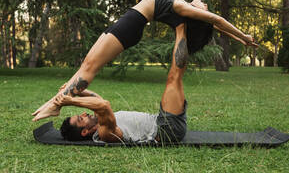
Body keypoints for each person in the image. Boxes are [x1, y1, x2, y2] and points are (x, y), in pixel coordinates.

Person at [32, 0, 257, 121]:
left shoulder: (182, 7)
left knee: (90, 66)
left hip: (131, 25)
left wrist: (244, 35)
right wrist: (239, 37)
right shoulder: (184, 8)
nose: (204, 3)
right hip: (130, 24)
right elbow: (216, 25)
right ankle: (55, 102)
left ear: (199, 14)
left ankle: (56, 105)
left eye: (204, 8)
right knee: (87, 64)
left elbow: (216, 20)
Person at [55, 24, 189, 143]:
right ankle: (181, 24)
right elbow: (103, 105)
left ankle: (182, 24)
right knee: (174, 77)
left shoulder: (100, 120)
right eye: (80, 119)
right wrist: (70, 101)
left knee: (174, 77)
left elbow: (97, 100)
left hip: (160, 120)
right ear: (85, 131)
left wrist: (77, 92)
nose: (84, 114)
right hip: (167, 129)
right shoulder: (104, 133)